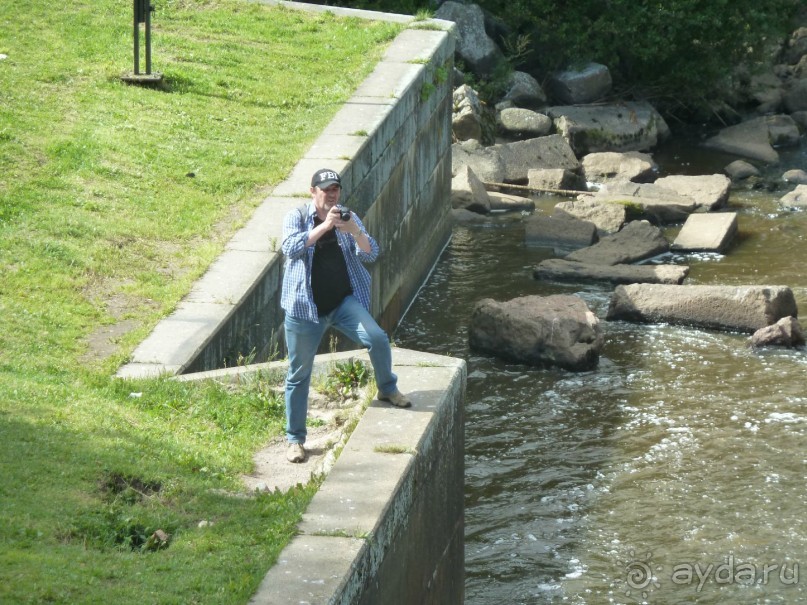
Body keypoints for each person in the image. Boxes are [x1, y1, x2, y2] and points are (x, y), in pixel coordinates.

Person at [279, 168, 411, 463]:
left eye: (335, 189)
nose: (332, 195)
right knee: (299, 375)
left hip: (342, 303)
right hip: (305, 309)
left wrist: (355, 232)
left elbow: (370, 253)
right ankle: (295, 440)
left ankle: (387, 388)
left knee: (377, 338)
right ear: (312, 191)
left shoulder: (347, 218)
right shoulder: (297, 217)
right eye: (326, 190)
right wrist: (325, 227)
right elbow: (290, 247)